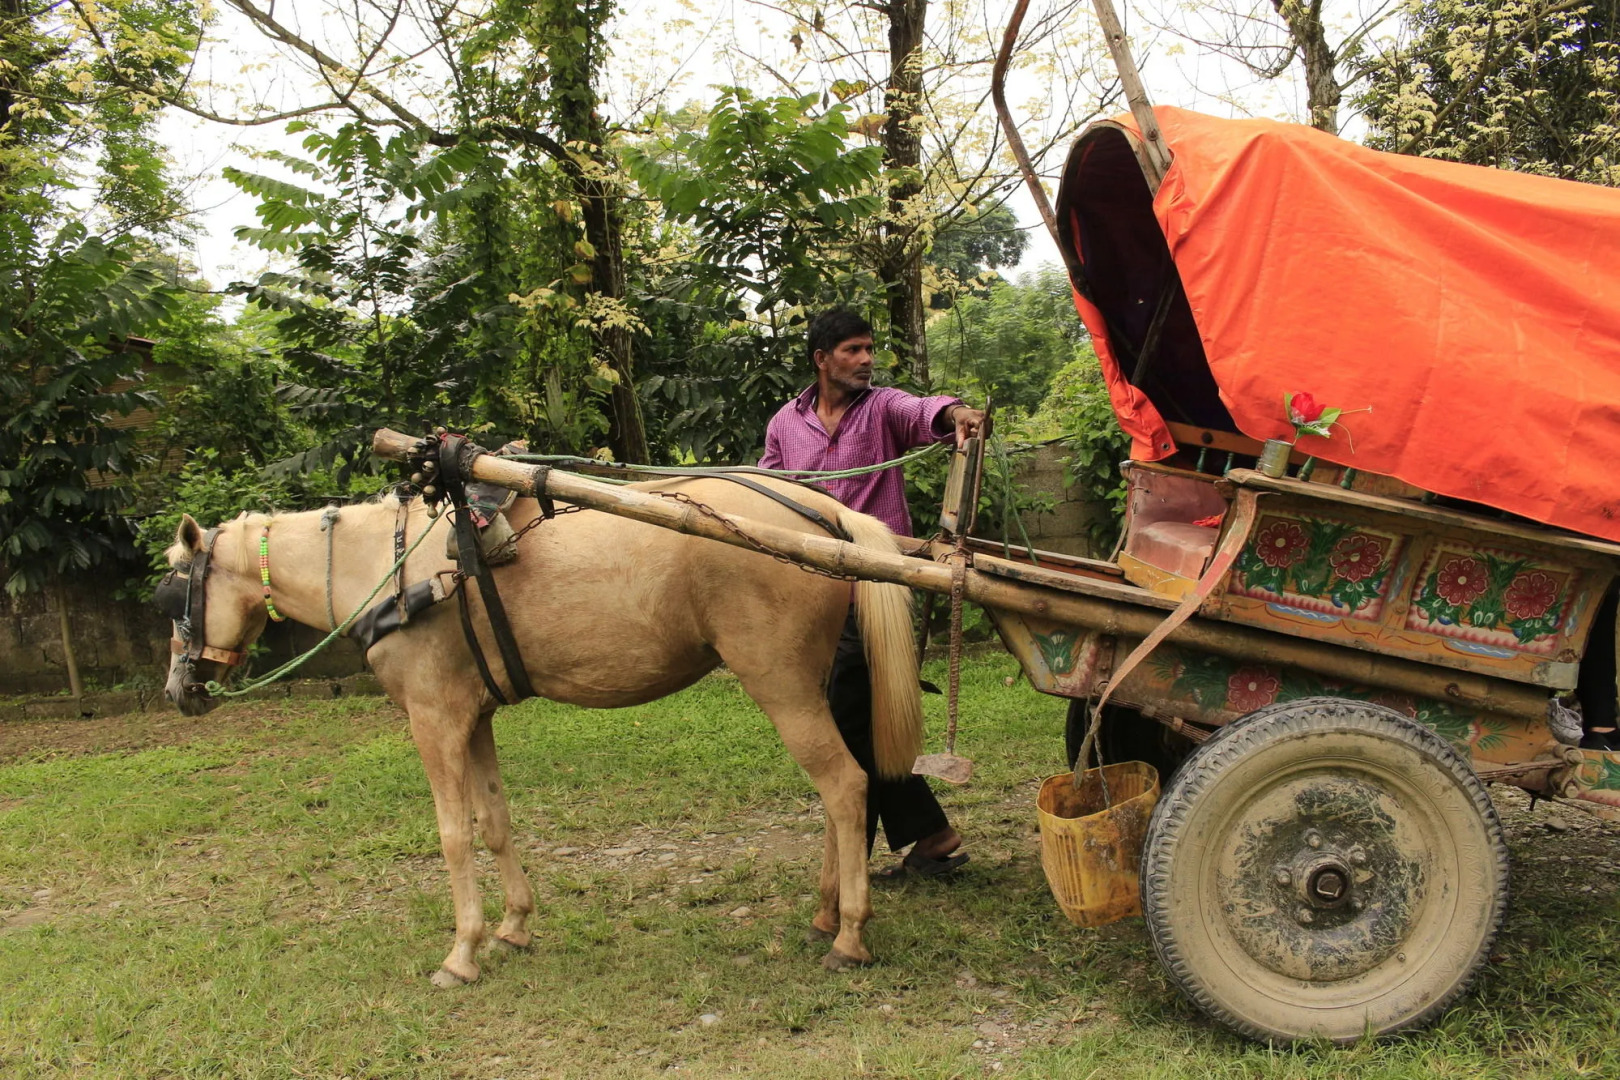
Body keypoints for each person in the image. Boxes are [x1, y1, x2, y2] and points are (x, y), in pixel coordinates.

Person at [758, 307, 985, 878]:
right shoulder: (786, 422)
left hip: (879, 586)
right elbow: (768, 489)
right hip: (815, 591)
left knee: (846, 710)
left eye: (869, 349)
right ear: (821, 359)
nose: (866, 360)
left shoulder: (883, 407)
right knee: (864, 714)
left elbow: (924, 409)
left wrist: (956, 412)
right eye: (852, 351)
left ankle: (854, 851)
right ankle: (931, 835)